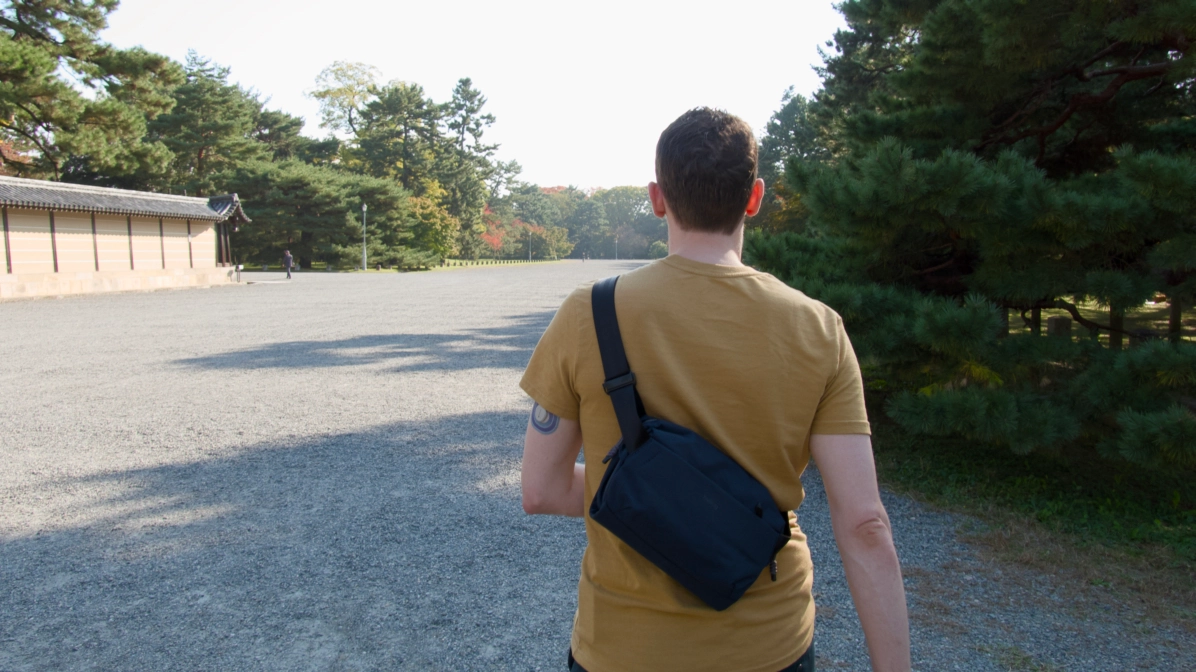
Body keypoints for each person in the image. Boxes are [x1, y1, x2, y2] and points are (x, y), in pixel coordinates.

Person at [519, 108, 910, 672]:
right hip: (770, 645)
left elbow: (542, 490)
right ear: (754, 198)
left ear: (657, 198)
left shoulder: (590, 312)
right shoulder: (819, 328)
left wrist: (646, 487)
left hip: (624, 649)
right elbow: (865, 524)